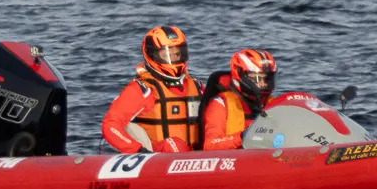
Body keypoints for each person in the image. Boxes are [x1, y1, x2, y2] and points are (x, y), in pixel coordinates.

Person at [101, 25, 202, 154]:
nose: (174, 58)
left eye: (177, 53)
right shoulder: (142, 90)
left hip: (196, 159)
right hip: (156, 158)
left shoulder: (197, 87)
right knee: (173, 145)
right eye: (167, 54)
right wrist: (138, 150)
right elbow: (110, 125)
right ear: (153, 55)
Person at [201, 48, 278, 150]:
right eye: (257, 78)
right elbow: (210, 145)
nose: (263, 84)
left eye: (266, 79)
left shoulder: (273, 104)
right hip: (233, 160)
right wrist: (243, 136)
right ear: (241, 75)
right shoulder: (221, 104)